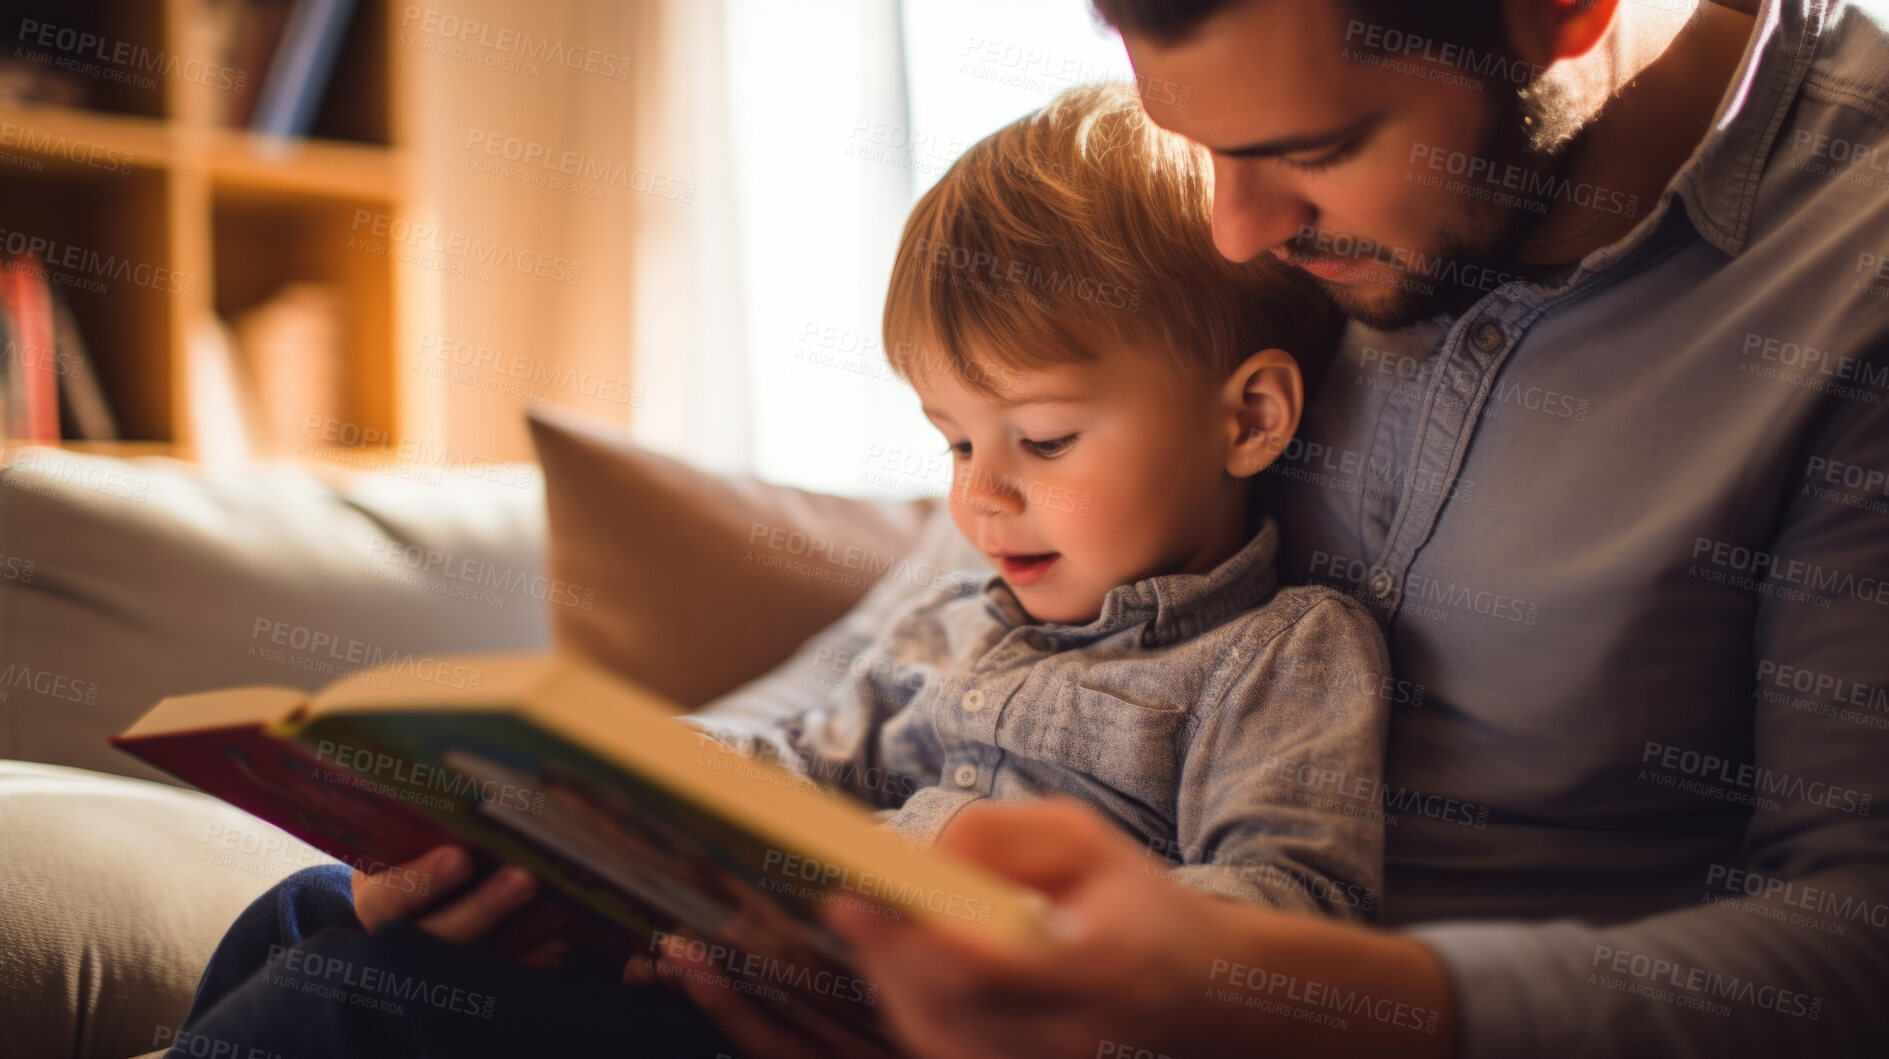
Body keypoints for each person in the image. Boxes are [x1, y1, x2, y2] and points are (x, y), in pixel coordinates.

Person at [169, 83, 1391, 1057]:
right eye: (955, 440)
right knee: (309, 911)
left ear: (1248, 421)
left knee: (380, 997)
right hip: (722, 973)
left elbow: (1300, 918)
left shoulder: (1285, 650)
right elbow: (796, 767)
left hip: (875, 1028)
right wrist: (621, 793)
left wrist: (1028, 900)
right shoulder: (957, 621)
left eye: (1045, 438)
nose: (981, 490)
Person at [775, 1, 1889, 1058]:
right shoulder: (1223, 167)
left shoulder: (1856, 283)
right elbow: (902, 644)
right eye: (1196, 141)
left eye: (1316, 149)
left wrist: (1279, 1002)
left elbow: (1854, 949)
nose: (1233, 231)